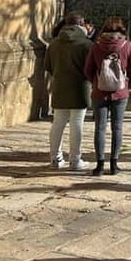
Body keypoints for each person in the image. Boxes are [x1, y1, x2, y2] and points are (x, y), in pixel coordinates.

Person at [84, 16, 131, 176]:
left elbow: (87, 69)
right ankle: (114, 164)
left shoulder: (96, 46)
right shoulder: (127, 45)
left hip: (99, 92)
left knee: (100, 128)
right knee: (117, 127)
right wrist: (126, 81)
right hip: (120, 93)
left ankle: (100, 165)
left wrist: (96, 81)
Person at [44, 11, 93, 171]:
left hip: (59, 86)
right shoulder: (86, 44)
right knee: (77, 123)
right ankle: (75, 159)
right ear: (81, 24)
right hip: (80, 87)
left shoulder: (54, 44)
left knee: (58, 123)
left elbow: (48, 66)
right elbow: (92, 68)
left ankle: (55, 158)